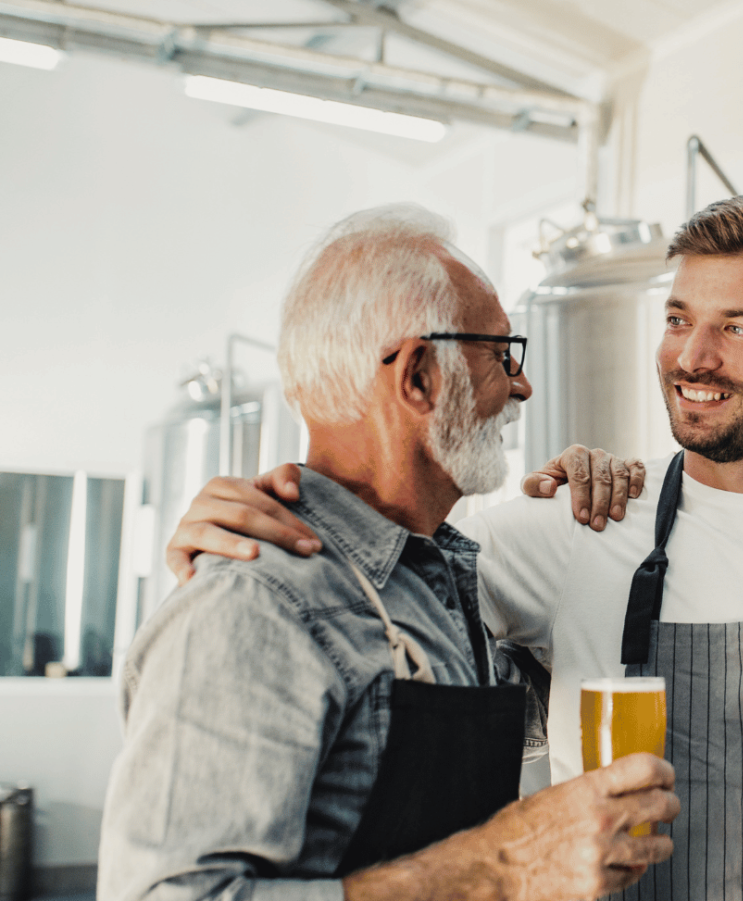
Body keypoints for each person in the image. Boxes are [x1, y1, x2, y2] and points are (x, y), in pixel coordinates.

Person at [168, 196, 743, 900]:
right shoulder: (565, 530)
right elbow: (384, 564)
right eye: (678, 318)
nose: (692, 356)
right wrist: (238, 521)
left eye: (739, 327)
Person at [99, 205, 679, 901]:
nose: (521, 385)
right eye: (502, 354)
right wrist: (500, 869)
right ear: (419, 377)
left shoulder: (433, 579)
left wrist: (597, 538)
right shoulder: (252, 604)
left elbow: (500, 726)